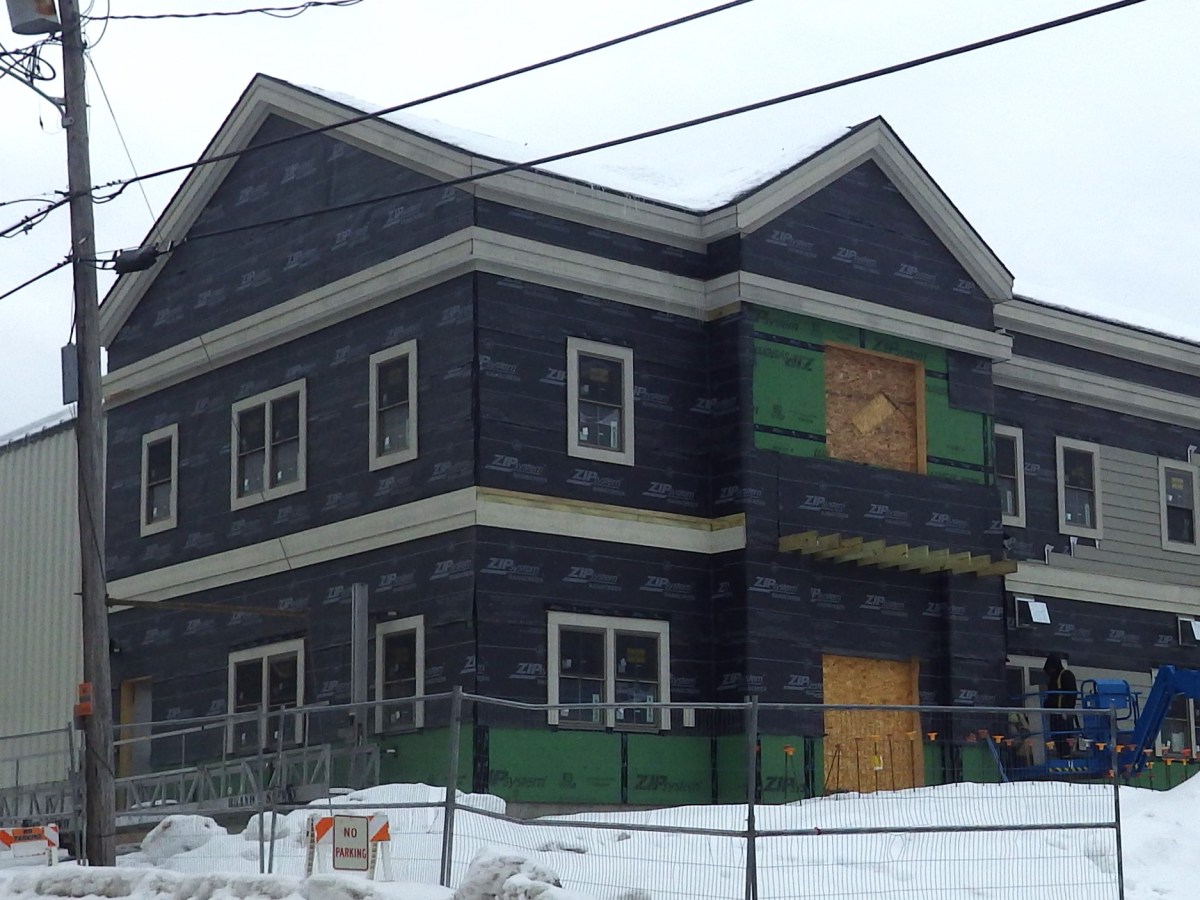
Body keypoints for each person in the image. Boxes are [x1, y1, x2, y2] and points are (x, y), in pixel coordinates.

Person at [1043, 655, 1078, 759]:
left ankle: (1066, 756)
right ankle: (1062, 755)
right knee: (1057, 736)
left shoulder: (1066, 675)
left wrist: (1067, 710)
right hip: (1055, 713)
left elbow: (1072, 695)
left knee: (1064, 736)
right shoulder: (1054, 678)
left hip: (1063, 713)